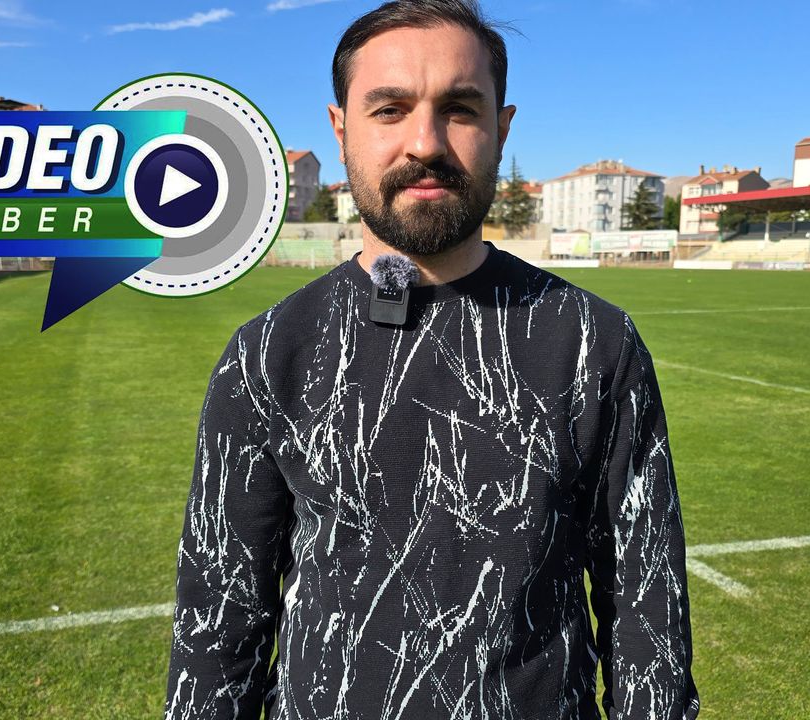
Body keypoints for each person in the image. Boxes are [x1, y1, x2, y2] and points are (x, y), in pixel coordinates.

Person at [163, 2, 700, 718]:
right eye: (389, 109)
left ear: (501, 127)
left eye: (460, 109)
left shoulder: (592, 342)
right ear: (341, 130)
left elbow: (646, 604)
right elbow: (218, 619)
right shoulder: (267, 352)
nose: (425, 142)